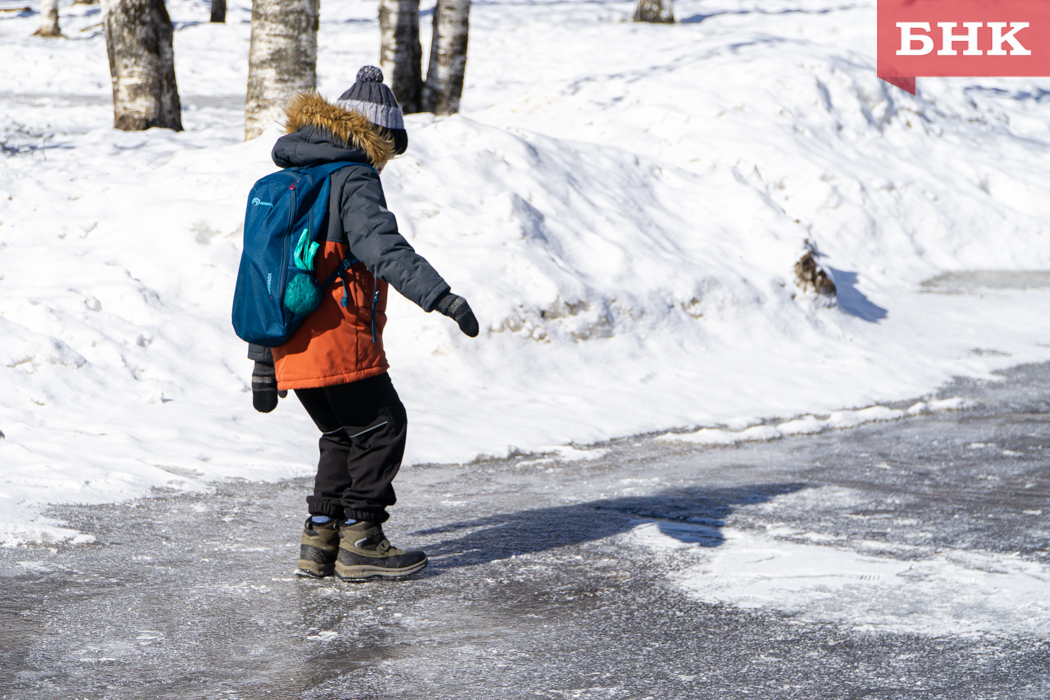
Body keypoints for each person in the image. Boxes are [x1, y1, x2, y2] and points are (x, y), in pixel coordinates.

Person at [247, 66, 479, 581]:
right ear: (374, 135)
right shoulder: (353, 177)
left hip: (290, 344)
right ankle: (363, 540)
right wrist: (440, 296)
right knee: (383, 428)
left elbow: (263, 274)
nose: (387, 162)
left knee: (341, 435)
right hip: (339, 339)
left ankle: (320, 538)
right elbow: (383, 249)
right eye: (388, 149)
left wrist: (263, 360)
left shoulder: (287, 180)